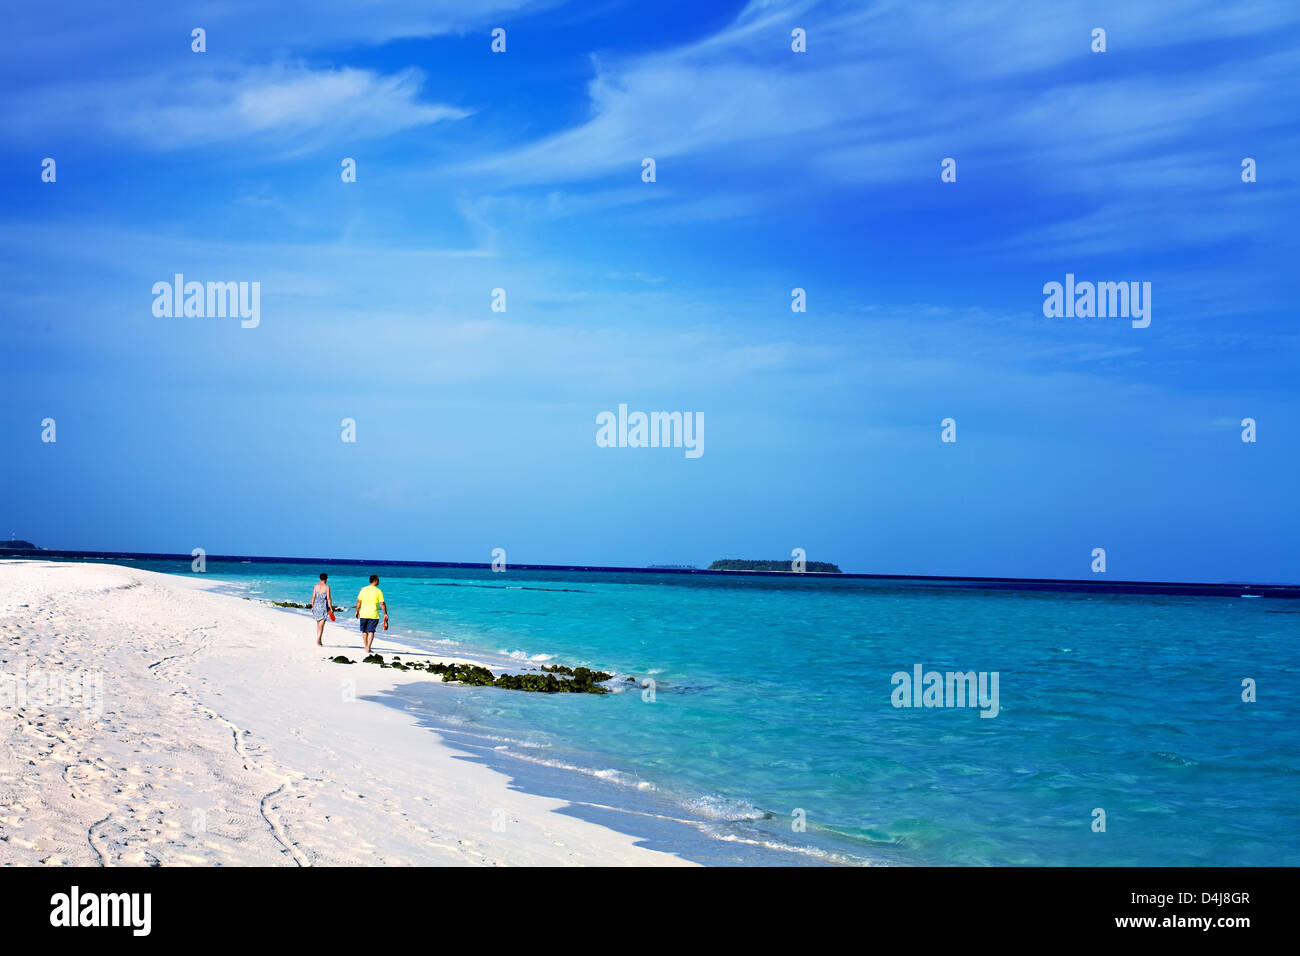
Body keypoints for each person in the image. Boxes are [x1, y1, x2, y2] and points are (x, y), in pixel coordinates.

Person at [355, 574, 388, 653]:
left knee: (364, 631)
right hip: (373, 614)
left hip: (363, 613)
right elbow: (382, 603)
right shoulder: (378, 591)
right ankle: (368, 647)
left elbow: (359, 601)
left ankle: (366, 646)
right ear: (376, 580)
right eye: (378, 580)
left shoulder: (363, 589)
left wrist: (357, 611)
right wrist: (385, 613)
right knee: (371, 631)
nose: (379, 581)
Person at [310, 573, 333, 646]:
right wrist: (331, 608)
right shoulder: (327, 587)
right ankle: (318, 639)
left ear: (320, 579)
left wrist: (312, 606)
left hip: (316, 606)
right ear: (326, 579)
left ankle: (319, 640)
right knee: (321, 625)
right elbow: (328, 598)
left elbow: (313, 597)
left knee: (318, 624)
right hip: (323, 607)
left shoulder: (316, 586)